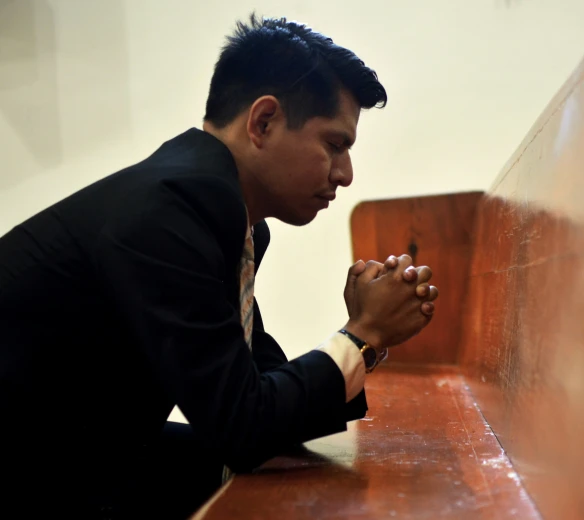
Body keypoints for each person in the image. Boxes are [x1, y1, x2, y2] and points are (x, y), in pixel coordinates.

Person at [0, 15, 438, 518]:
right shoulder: (172, 211)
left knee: (317, 478)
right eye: (334, 145)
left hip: (76, 451)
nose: (345, 173)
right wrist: (363, 334)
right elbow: (242, 425)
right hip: (32, 469)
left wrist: (366, 340)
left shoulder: (226, 217)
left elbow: (261, 382)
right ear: (263, 122)